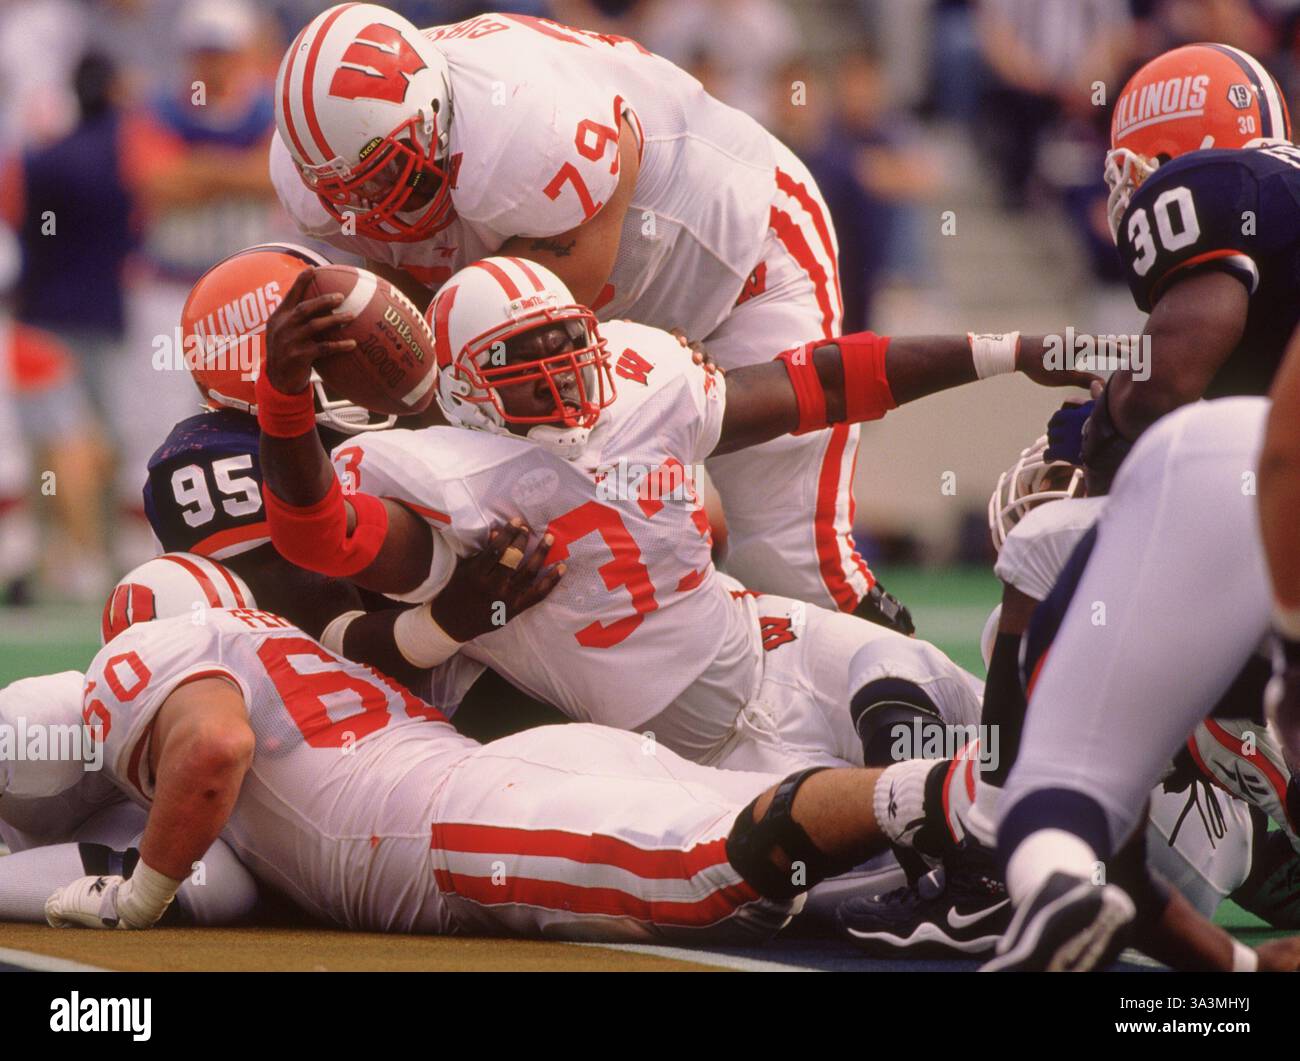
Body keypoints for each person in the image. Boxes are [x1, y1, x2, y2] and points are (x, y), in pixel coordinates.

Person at [254, 255, 1091, 774]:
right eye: (524, 355)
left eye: (562, 338)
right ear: (467, 388)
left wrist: (1008, 353)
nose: (562, 368)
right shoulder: (447, 479)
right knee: (878, 818)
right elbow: (318, 533)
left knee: (988, 720)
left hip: (766, 647)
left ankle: (1174, 792)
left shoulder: (642, 375)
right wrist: (284, 398)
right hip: (681, 757)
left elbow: (822, 384)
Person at [269, 3, 887, 620]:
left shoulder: (525, 126)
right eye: (349, 191)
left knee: (792, 564)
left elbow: (530, 337)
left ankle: (911, 695)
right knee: (535, 552)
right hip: (581, 310)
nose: (374, 209)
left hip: (742, 262)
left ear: (433, 117)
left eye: (387, 176)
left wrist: (425, 389)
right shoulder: (332, 174)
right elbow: (449, 332)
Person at [47, 557, 931, 942]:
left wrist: (139, 896)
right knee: (778, 869)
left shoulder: (151, 647)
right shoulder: (286, 646)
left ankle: (952, 797)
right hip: (518, 769)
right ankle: (957, 840)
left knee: (705, 870)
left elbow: (211, 747)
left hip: (457, 826)